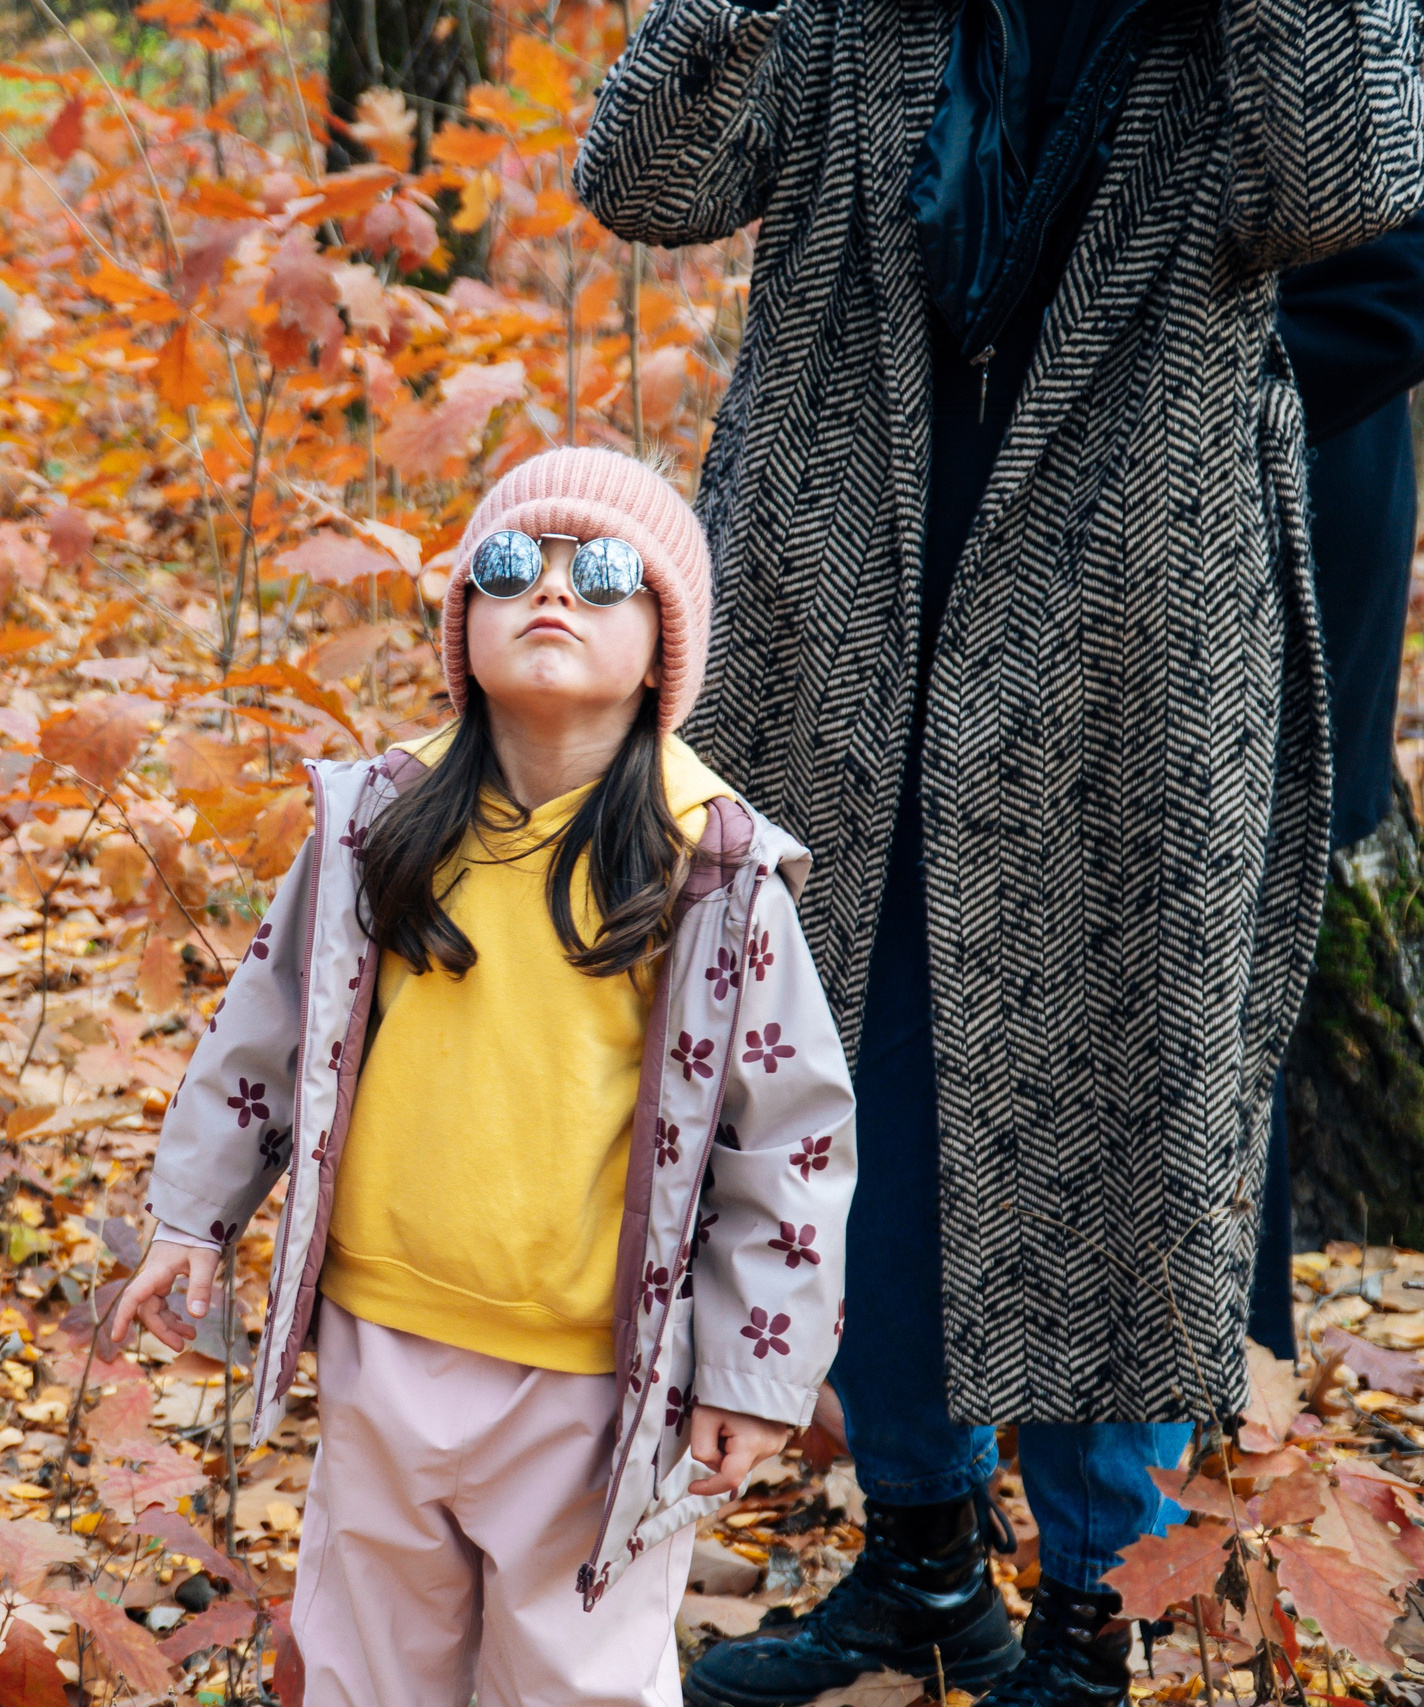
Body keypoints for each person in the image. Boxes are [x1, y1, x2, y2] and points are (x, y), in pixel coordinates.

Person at [573, 2, 1424, 1706]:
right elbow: (644, 177)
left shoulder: (1252, 35)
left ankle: (1095, 1617)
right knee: (841, 1086)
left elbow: (1362, 183)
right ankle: (919, 1559)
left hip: (1131, 649)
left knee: (1129, 1115)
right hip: (839, 617)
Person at [106, 447, 858, 1707]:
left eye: (602, 574)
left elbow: (786, 1140)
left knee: (573, 1678)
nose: (551, 592)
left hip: (594, 1385)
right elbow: (270, 1023)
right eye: (511, 567)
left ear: (665, 643)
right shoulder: (376, 825)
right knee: (365, 1663)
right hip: (379, 1342)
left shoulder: (713, 875)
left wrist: (751, 1373)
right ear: (464, 622)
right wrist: (192, 1215)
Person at [1255, 216, 1424, 1354]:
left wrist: (1169, 403)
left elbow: (1397, 287)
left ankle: (1223, 1386)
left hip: (1287, 497)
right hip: (1031, 501)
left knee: (1225, 978)